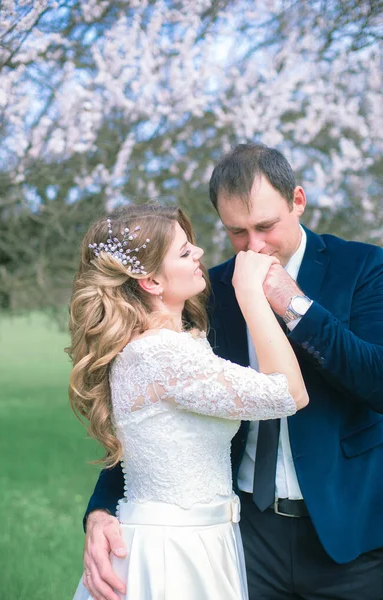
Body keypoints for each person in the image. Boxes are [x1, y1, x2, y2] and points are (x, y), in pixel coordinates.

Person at [79, 144, 383, 600]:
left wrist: (295, 306)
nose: (255, 245)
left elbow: (376, 380)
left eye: (265, 226)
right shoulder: (209, 288)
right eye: (236, 232)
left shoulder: (364, 267)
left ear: (297, 201)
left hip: (349, 537)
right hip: (245, 537)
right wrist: (102, 509)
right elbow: (155, 418)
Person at [68, 202, 309, 600]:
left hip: (199, 537)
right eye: (184, 252)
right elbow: (289, 394)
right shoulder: (163, 356)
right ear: (151, 282)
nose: (199, 253)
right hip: (175, 552)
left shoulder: (167, 347)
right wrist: (249, 292)